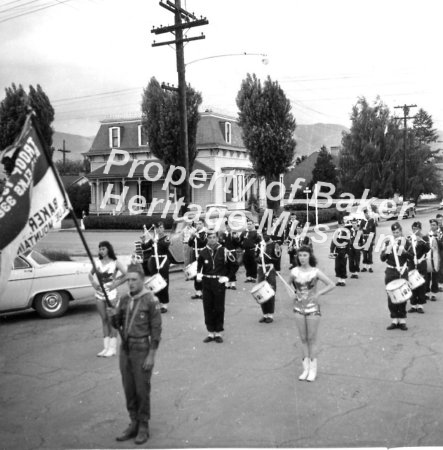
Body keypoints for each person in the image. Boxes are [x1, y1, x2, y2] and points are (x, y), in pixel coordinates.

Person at [108, 263, 162, 445]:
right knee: (128, 388)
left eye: (134, 280)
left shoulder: (150, 300)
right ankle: (133, 422)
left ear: (143, 280)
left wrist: (151, 355)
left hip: (141, 349)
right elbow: (118, 324)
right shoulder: (124, 300)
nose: (130, 283)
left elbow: (156, 330)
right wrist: (112, 316)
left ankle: (144, 425)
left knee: (141, 389)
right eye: (128, 280)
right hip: (126, 349)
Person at [289, 245, 335, 382]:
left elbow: (331, 284)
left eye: (305, 255)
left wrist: (319, 293)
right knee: (303, 338)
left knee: (311, 338)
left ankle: (313, 370)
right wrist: (292, 294)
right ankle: (306, 369)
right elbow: (288, 285)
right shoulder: (294, 271)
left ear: (310, 256)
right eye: (300, 255)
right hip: (298, 308)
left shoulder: (315, 272)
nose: (302, 258)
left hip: (313, 308)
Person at [197, 228, 237, 343]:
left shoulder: (224, 250)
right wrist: (199, 274)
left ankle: (218, 332)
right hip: (207, 282)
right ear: (207, 239)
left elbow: (234, 265)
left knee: (218, 308)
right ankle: (210, 333)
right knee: (208, 307)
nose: (212, 239)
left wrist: (228, 277)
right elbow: (199, 266)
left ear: (217, 238)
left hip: (219, 282)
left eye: (214, 237)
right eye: (210, 237)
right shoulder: (203, 252)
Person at [88, 241, 127, 357]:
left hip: (112, 296)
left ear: (108, 249)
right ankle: (105, 348)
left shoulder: (115, 263)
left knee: (112, 321)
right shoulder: (97, 263)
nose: (101, 251)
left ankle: (112, 348)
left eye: (103, 249)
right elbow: (90, 275)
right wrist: (94, 283)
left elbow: (127, 274)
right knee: (104, 320)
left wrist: (116, 284)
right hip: (99, 295)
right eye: (100, 249)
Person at [380, 222, 413, 330]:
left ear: (401, 231)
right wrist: (385, 251)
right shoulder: (388, 242)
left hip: (402, 271)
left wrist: (404, 252)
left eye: (397, 232)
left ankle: (402, 320)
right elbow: (382, 259)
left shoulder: (406, 242)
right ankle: (394, 320)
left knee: (402, 296)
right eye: (394, 232)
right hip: (390, 271)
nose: (396, 234)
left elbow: (412, 257)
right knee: (391, 296)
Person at [255, 232, 281, 323]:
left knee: (270, 291)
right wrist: (258, 258)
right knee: (261, 292)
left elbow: (277, 258)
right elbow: (255, 256)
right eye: (263, 235)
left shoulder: (275, 245)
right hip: (261, 270)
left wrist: (268, 258)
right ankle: (264, 314)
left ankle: (270, 314)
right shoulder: (260, 245)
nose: (264, 237)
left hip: (270, 269)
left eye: (266, 235)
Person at [146, 221, 171, 313]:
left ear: (163, 228)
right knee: (155, 282)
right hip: (153, 262)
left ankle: (164, 304)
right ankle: (157, 302)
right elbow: (144, 246)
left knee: (163, 281)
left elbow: (166, 246)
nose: (159, 229)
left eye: (161, 227)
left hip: (163, 261)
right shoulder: (153, 238)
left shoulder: (166, 238)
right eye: (157, 228)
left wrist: (157, 242)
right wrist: (143, 240)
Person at [407, 221, 430, 313]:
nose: (415, 230)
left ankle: (420, 305)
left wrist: (420, 241)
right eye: (413, 228)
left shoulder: (424, 237)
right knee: (412, 284)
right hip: (412, 263)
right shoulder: (409, 238)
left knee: (421, 284)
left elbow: (428, 249)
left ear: (420, 229)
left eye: (416, 229)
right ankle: (413, 305)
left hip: (421, 262)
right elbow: (406, 251)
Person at [219, 221, 242, 289]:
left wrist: (236, 238)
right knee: (226, 267)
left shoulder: (234, 233)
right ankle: (227, 283)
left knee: (233, 267)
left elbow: (238, 244)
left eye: (229, 226)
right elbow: (221, 244)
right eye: (227, 226)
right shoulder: (224, 234)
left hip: (232, 252)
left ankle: (233, 283)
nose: (228, 227)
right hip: (225, 252)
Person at [188, 219, 207, 299]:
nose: (198, 225)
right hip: (194, 254)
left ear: (203, 224)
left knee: (202, 272)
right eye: (197, 224)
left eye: (200, 224)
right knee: (196, 272)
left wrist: (197, 236)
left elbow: (203, 242)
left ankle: (204, 292)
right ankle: (198, 292)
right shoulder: (195, 233)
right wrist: (192, 237)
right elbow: (189, 244)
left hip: (202, 254)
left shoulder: (205, 233)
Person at [330, 218, 350, 286]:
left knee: (343, 265)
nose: (341, 226)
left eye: (342, 225)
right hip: (337, 250)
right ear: (338, 225)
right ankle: (339, 280)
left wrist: (347, 252)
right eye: (340, 225)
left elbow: (348, 243)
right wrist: (331, 251)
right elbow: (333, 242)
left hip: (344, 250)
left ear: (344, 225)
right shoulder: (336, 232)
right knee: (337, 266)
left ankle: (343, 280)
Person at [425, 218, 442, 302]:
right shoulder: (427, 234)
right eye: (431, 225)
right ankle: (427, 292)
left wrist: (438, 240)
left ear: (437, 226)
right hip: (428, 257)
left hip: (436, 257)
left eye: (434, 225)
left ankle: (433, 293)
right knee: (427, 276)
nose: (432, 226)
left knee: (435, 276)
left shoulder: (440, 234)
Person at [360, 208, 376, 273]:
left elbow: (374, 231)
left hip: (370, 238)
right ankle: (364, 267)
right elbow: (360, 230)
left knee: (369, 253)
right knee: (364, 253)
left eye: (368, 213)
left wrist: (373, 240)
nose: (367, 214)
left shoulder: (372, 221)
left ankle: (370, 267)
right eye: (366, 213)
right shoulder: (362, 221)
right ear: (364, 214)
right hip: (364, 238)